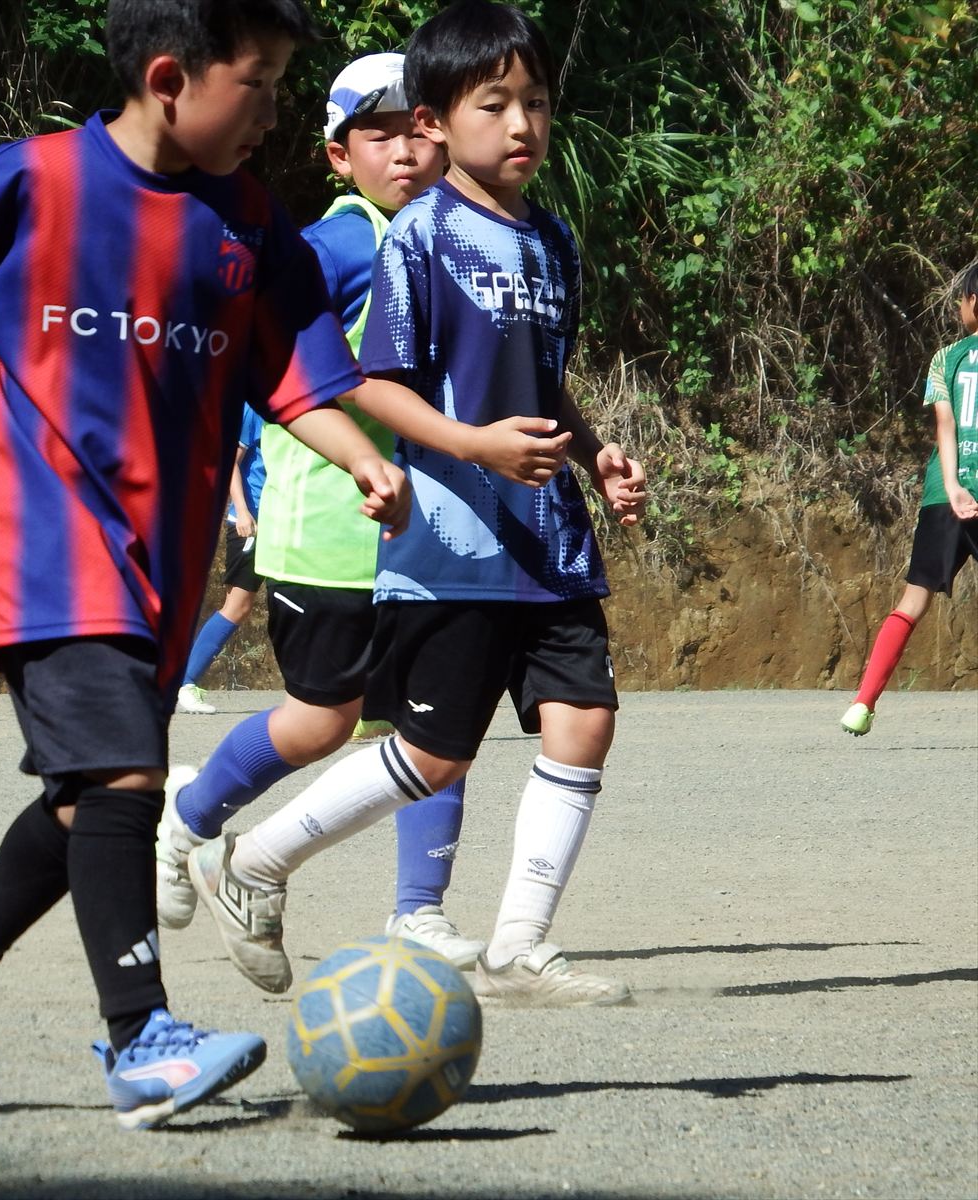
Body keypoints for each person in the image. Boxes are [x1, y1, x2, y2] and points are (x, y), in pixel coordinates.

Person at [0, 0, 497, 1130]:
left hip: (163, 559)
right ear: (170, 78)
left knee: (91, 796)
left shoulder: (247, 223)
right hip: (47, 537)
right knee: (128, 779)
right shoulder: (29, 183)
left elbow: (296, 374)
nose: (274, 113)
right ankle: (142, 1037)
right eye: (260, 83)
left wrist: (359, 460)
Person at [186, 0, 648, 1007]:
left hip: (548, 539)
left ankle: (519, 946)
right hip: (451, 543)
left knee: (584, 722)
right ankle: (254, 862)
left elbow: (546, 382)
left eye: (536, 102)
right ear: (438, 121)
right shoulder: (422, 237)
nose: (522, 124)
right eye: (495, 104)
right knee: (433, 755)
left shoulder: (554, 242)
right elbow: (375, 384)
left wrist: (596, 452)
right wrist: (473, 446)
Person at [157, 52, 483, 967]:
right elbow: (260, 360)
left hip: (431, 537)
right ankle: (188, 818)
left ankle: (419, 912)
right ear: (339, 156)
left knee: (436, 726)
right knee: (320, 723)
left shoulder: (457, 241)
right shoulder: (332, 247)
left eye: (420, 131)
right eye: (378, 136)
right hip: (331, 535)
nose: (406, 152)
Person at [841, 264, 978, 735]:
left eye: (961, 299)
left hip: (944, 494)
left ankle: (862, 704)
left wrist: (954, 485)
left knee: (913, 601)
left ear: (974, 302)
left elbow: (946, 424)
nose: (957, 307)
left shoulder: (946, 358)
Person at [176, 406, 266, 714]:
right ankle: (186, 683)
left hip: (289, 522)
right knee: (238, 605)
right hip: (251, 523)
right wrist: (242, 512)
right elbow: (230, 462)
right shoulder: (255, 409)